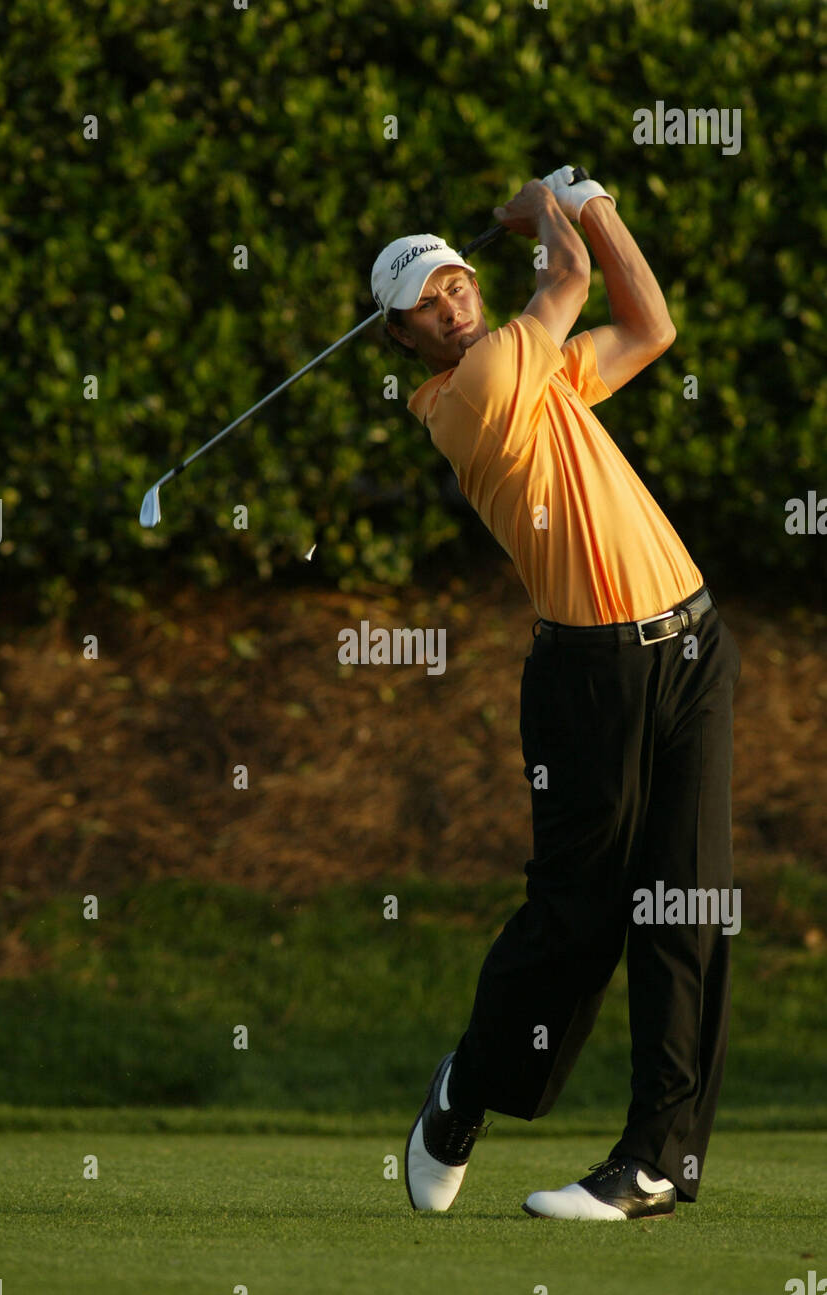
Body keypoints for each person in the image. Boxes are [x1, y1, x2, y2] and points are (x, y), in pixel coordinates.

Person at [370, 167, 742, 1221]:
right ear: (403, 340)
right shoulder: (470, 394)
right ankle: (466, 1091)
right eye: (424, 304)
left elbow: (650, 324)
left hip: (692, 646)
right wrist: (554, 202)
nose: (448, 301)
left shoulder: (536, 377)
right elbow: (570, 277)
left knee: (683, 906)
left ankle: (658, 1159)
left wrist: (591, 203)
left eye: (452, 280)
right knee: (575, 921)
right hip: (591, 677)